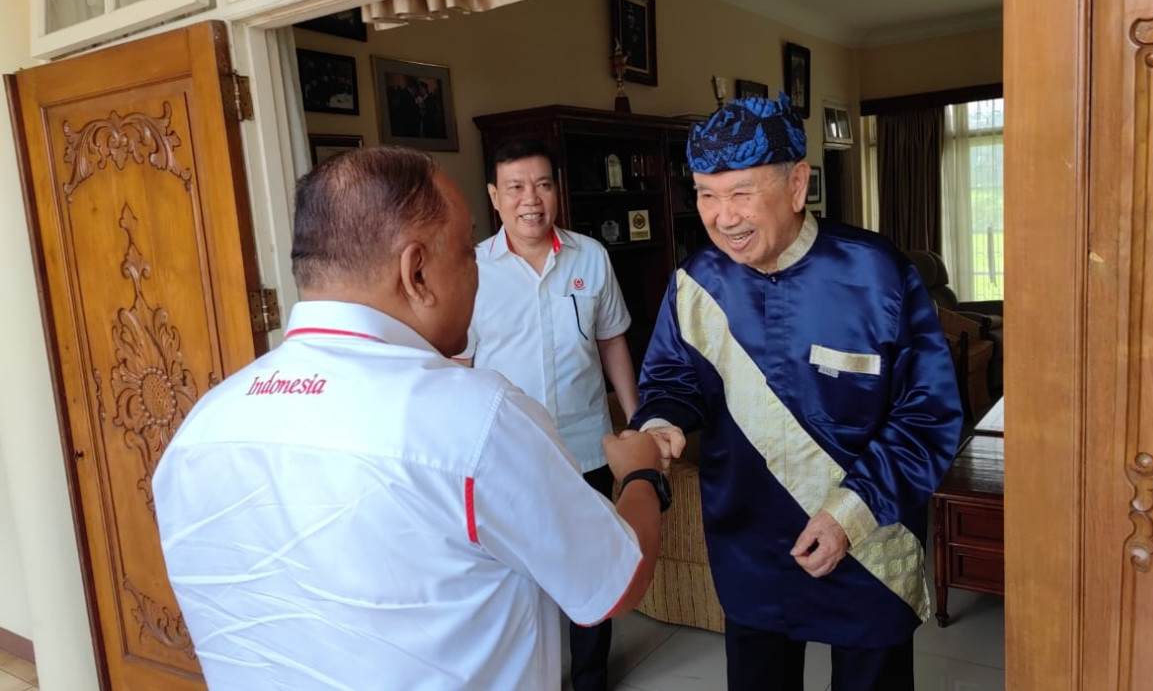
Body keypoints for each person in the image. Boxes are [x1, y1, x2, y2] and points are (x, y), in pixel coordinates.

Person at [151, 146, 671, 690]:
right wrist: (640, 474)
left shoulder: (199, 430)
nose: (477, 270)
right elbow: (616, 581)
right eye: (467, 253)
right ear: (416, 271)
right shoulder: (477, 423)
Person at [628, 93, 963, 691]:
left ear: (796, 184)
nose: (722, 216)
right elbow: (671, 377)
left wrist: (848, 516)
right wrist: (663, 420)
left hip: (870, 539)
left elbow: (928, 413)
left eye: (740, 193)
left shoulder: (877, 273)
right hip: (751, 539)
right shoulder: (695, 284)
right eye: (707, 194)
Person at [455, 137, 639, 691]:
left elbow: (612, 344)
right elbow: (458, 367)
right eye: (514, 187)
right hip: (509, 455)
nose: (529, 199)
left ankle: (588, 679)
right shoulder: (472, 270)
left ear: (556, 190)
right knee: (518, 582)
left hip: (587, 444)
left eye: (541, 184)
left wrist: (636, 418)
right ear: (494, 195)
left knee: (593, 570)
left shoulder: (591, 257)